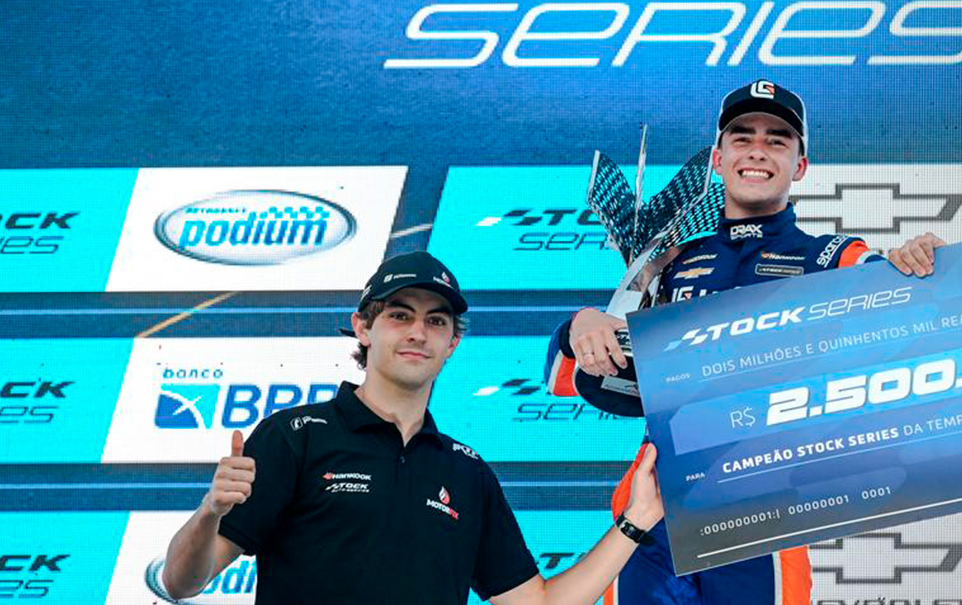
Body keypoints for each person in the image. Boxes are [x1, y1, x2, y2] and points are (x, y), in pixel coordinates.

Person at [543, 80, 945, 605]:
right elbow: (569, 378)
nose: (758, 150)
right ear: (718, 158)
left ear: (800, 166)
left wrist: (921, 262)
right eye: (742, 137)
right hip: (653, 507)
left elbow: (918, 303)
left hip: (764, 509)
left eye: (777, 140)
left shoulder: (832, 258)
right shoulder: (668, 262)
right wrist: (582, 326)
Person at [163, 251, 665, 605]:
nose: (418, 333)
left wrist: (637, 519)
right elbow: (182, 583)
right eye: (400, 316)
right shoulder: (295, 436)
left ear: (452, 344)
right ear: (363, 327)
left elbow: (537, 603)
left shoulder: (467, 473)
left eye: (436, 321)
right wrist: (210, 513)